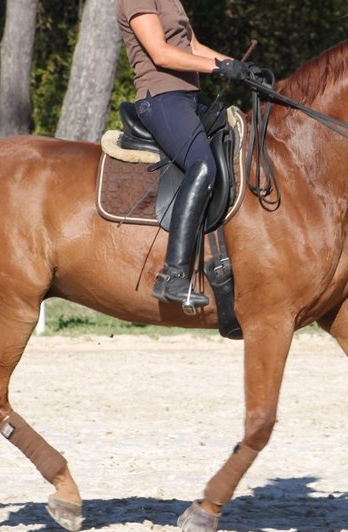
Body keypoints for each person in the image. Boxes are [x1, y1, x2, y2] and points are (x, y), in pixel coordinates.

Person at [116, 0, 257, 307]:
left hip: (190, 98)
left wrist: (239, 67)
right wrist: (219, 68)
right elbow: (160, 53)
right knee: (202, 165)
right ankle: (173, 276)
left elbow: (192, 45)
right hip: (161, 98)